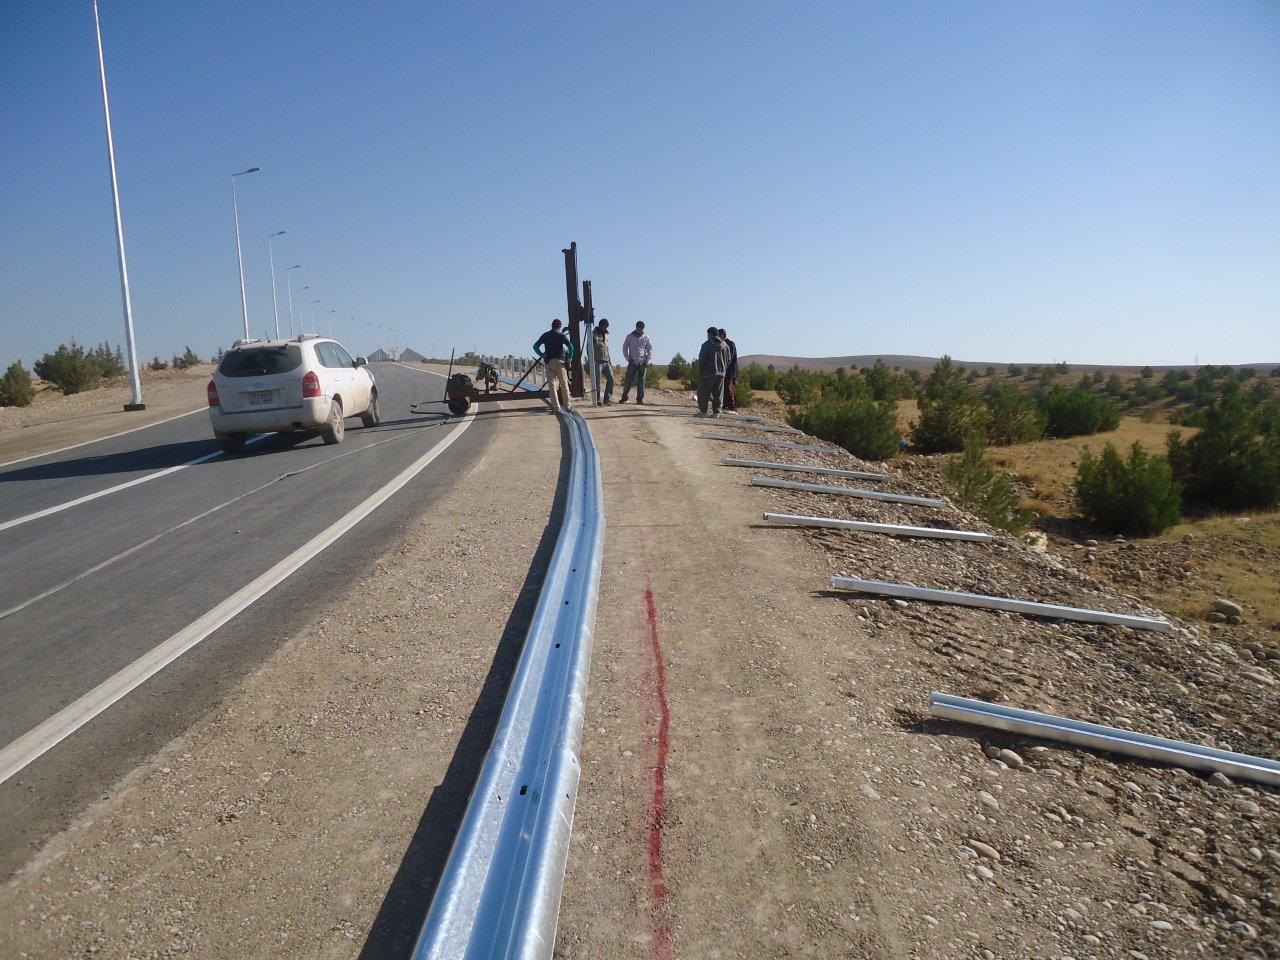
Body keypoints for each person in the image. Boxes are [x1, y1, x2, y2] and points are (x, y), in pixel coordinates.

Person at [533, 318, 574, 414]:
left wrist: (542, 355)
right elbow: (571, 347)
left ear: (552, 326)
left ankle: (556, 408)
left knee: (552, 386)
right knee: (564, 384)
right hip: (560, 363)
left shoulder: (545, 335)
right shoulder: (561, 335)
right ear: (560, 327)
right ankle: (567, 407)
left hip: (549, 363)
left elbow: (535, 346)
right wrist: (569, 358)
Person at [696, 325, 730, 417]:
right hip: (721, 374)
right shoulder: (725, 345)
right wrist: (723, 369)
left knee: (703, 393)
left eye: (708, 334)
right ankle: (716, 413)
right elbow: (728, 360)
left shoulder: (706, 345)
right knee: (718, 394)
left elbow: (702, 359)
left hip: (708, 373)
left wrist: (701, 372)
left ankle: (703, 412)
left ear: (710, 334)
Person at [619, 321, 652, 404]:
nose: (640, 330)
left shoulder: (646, 337)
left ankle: (640, 400)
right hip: (632, 363)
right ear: (636, 327)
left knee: (641, 382)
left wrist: (647, 361)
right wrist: (628, 358)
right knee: (628, 381)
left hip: (642, 363)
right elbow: (624, 348)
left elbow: (650, 349)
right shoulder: (629, 337)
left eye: (641, 328)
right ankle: (624, 398)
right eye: (639, 328)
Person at [592, 318, 615, 405]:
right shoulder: (593, 334)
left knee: (611, 379)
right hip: (597, 362)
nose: (606, 329)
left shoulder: (606, 335)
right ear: (601, 326)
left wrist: (610, 361)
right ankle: (597, 400)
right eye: (605, 327)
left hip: (606, 361)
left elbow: (607, 349)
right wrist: (593, 360)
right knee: (597, 382)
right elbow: (589, 348)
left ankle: (607, 399)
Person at [718, 327, 738, 411]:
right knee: (725, 388)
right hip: (724, 370)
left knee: (729, 388)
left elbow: (730, 358)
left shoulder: (730, 344)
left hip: (731, 371)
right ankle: (726, 405)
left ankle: (732, 407)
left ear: (722, 335)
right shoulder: (722, 344)